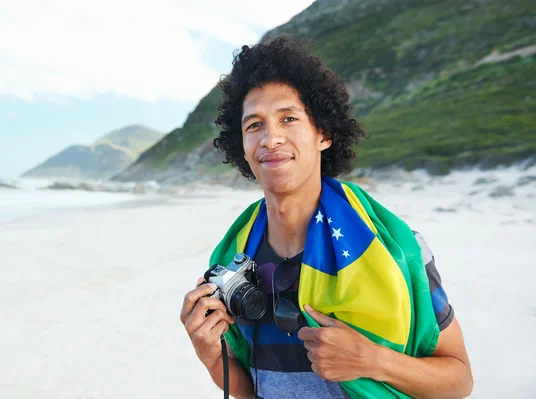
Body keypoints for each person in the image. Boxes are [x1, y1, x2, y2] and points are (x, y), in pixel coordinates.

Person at [179, 36, 473, 399]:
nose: (271, 138)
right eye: (254, 125)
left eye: (288, 118)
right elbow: (251, 391)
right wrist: (211, 357)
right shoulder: (231, 262)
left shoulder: (397, 249)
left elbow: (459, 380)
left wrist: (373, 361)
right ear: (241, 144)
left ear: (323, 133)